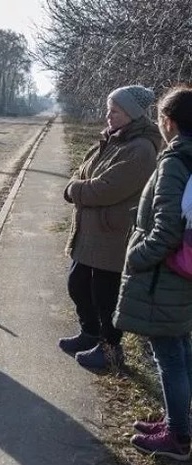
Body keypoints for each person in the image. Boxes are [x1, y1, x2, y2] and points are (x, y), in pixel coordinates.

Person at [114, 86, 192, 461]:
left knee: (170, 356)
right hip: (182, 276)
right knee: (180, 349)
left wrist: (135, 257)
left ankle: (178, 437)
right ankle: (178, 422)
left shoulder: (176, 160)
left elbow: (166, 231)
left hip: (166, 279)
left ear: (169, 122)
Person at [59, 85, 162, 369]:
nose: (108, 116)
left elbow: (105, 189)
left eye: (114, 111)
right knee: (77, 284)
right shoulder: (113, 139)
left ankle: (109, 349)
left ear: (132, 114)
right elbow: (83, 172)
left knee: (106, 296)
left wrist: (74, 190)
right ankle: (89, 333)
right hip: (91, 232)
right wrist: (79, 184)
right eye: (108, 110)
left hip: (113, 236)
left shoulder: (140, 149)